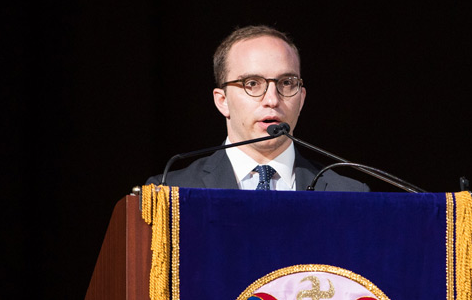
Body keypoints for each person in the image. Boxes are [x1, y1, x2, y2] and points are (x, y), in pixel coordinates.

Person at [150, 25, 368, 191]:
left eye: (286, 83)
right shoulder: (170, 191)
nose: (272, 100)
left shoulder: (349, 193)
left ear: (301, 99)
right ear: (222, 100)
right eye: (252, 84)